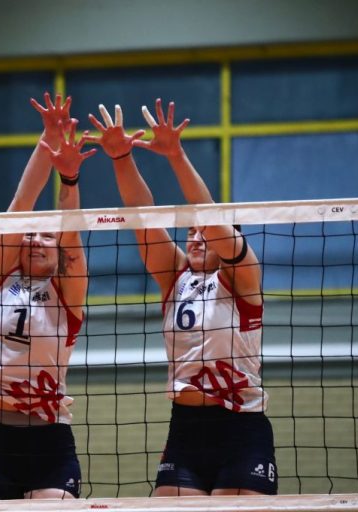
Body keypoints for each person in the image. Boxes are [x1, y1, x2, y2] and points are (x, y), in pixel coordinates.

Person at [86, 98, 277, 496]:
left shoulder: (243, 275)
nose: (196, 236)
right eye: (189, 231)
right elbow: (141, 215)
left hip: (241, 428)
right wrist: (121, 157)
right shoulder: (175, 275)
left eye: (204, 231)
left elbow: (208, 215)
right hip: (186, 429)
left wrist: (176, 155)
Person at [0, 93, 95, 500]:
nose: (36, 239)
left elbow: (71, 232)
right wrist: (47, 138)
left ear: (59, 249)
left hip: (50, 438)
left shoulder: (67, 290)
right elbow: (21, 204)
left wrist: (69, 179)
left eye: (46, 236)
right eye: (31, 234)